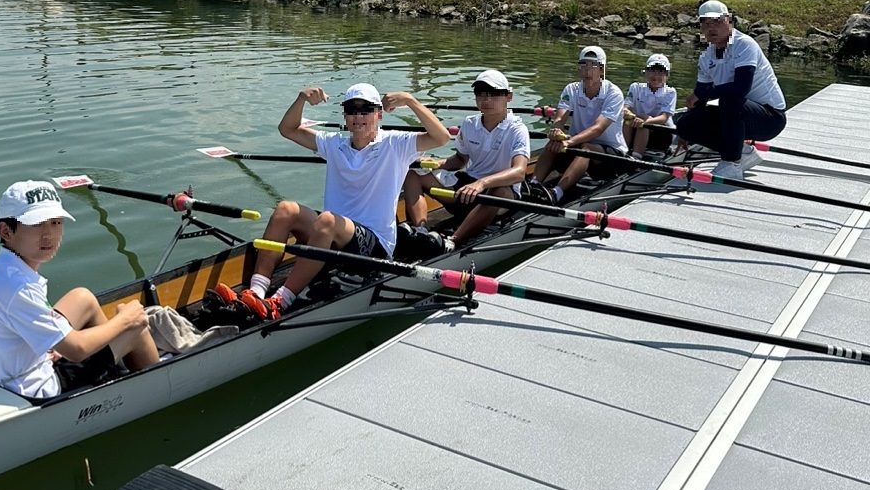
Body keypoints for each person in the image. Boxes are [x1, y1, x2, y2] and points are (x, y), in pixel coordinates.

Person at [237, 84, 450, 319]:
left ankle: (281, 301)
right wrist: (301, 100)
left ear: (379, 114)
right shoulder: (333, 143)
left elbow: (441, 138)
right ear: (345, 116)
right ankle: (257, 291)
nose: (358, 116)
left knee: (327, 221)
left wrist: (410, 101)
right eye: (352, 110)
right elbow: (287, 129)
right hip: (334, 235)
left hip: (375, 247)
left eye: (366, 110)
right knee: (285, 209)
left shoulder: (396, 144)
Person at [0, 181, 158, 400]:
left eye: (56, 222)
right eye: (37, 224)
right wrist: (126, 320)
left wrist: (39, 347)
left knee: (83, 298)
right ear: (6, 231)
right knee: (136, 327)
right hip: (30, 389)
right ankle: (159, 391)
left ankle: (110, 368)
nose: (49, 235)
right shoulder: (20, 288)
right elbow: (76, 350)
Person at [403, 69, 530, 245]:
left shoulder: (517, 129)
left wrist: (482, 183)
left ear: (509, 96)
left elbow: (519, 172)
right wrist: (435, 164)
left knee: (497, 191)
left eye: (493, 94)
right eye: (480, 94)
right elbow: (460, 160)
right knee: (412, 175)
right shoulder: (470, 123)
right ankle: (421, 231)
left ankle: (451, 242)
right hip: (468, 187)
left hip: (501, 194)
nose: (486, 100)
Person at [672, 0, 787, 180]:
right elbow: (699, 99)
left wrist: (702, 94)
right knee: (685, 123)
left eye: (717, 22)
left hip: (770, 118)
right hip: (737, 112)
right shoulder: (706, 56)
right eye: (706, 23)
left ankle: (731, 163)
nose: (711, 29)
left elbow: (740, 88)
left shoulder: (744, 44)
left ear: (730, 21)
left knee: (729, 99)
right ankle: (743, 151)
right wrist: (685, 132)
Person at [530, 46, 628, 203]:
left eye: (593, 66)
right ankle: (533, 185)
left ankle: (557, 192)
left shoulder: (613, 93)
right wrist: (556, 130)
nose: (588, 71)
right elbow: (560, 117)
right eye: (583, 66)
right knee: (553, 143)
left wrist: (568, 142)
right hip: (579, 145)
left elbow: (598, 128)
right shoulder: (571, 89)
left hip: (611, 153)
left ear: (602, 70)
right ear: (579, 69)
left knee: (587, 147)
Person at [623, 54, 677, 159]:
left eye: (660, 72)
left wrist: (644, 122)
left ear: (667, 75)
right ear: (646, 72)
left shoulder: (670, 92)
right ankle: (623, 151)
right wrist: (626, 112)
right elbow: (626, 107)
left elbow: (663, 118)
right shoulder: (635, 87)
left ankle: (636, 157)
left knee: (643, 121)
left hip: (663, 133)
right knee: (628, 120)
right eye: (652, 71)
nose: (656, 76)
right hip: (639, 125)